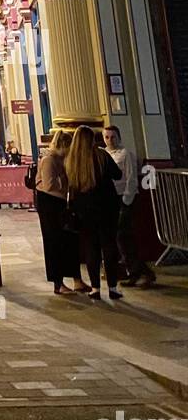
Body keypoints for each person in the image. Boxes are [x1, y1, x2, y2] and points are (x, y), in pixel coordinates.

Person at [65, 125, 123, 300]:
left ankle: (95, 288)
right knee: (109, 246)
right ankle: (112, 287)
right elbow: (118, 174)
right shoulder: (101, 155)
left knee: (91, 248)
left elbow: (72, 188)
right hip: (107, 207)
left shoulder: (72, 161)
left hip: (84, 211)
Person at [35, 130, 90, 296]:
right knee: (54, 242)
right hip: (49, 205)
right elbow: (49, 185)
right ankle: (58, 284)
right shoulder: (48, 160)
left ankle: (77, 280)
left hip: (61, 204)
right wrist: (66, 181)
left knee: (70, 241)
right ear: (63, 146)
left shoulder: (62, 159)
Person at [103, 124, 156, 288]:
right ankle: (132, 272)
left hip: (125, 199)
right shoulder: (104, 154)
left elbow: (132, 178)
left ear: (119, 137)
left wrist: (127, 200)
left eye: (113, 137)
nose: (110, 140)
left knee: (123, 236)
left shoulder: (126, 154)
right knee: (120, 238)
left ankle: (142, 271)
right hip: (111, 199)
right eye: (107, 137)